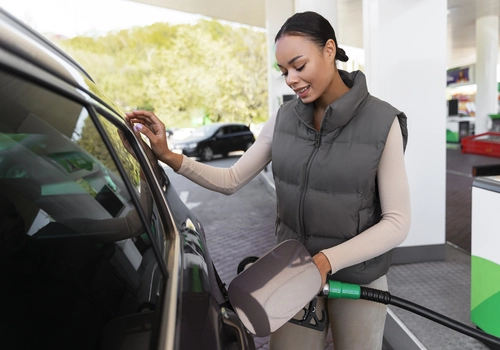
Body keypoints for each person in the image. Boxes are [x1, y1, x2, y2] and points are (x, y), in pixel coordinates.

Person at [126, 11, 411, 350]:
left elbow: (397, 222)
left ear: (330, 50)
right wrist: (171, 157)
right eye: (284, 71)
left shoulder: (382, 121)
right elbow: (232, 178)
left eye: (299, 66)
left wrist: (326, 261)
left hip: (358, 277)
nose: (291, 79)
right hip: (292, 273)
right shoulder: (284, 119)